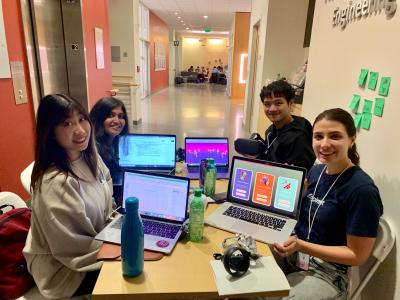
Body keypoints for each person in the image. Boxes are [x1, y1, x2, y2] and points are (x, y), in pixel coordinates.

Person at [272, 108, 383, 299]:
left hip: (327, 274)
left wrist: (302, 246)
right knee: (243, 269)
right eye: (318, 136)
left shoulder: (362, 190)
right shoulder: (316, 171)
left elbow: (357, 255)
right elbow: (308, 215)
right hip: (294, 254)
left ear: (352, 139)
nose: (324, 144)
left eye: (335, 136)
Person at [23, 94, 114, 299]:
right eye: (67, 123)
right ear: (51, 132)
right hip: (67, 272)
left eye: (82, 119)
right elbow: (75, 248)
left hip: (99, 243)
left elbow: (109, 197)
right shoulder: (56, 182)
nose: (80, 130)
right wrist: (126, 243)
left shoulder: (89, 157)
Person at [258, 80, 315, 170]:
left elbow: (300, 175)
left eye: (278, 103)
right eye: (267, 104)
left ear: (290, 103)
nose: (272, 109)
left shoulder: (299, 136)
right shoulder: (270, 130)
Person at [89, 97, 129, 181]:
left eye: (121, 116)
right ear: (99, 118)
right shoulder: (93, 148)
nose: (117, 121)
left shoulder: (116, 141)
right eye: (111, 115)